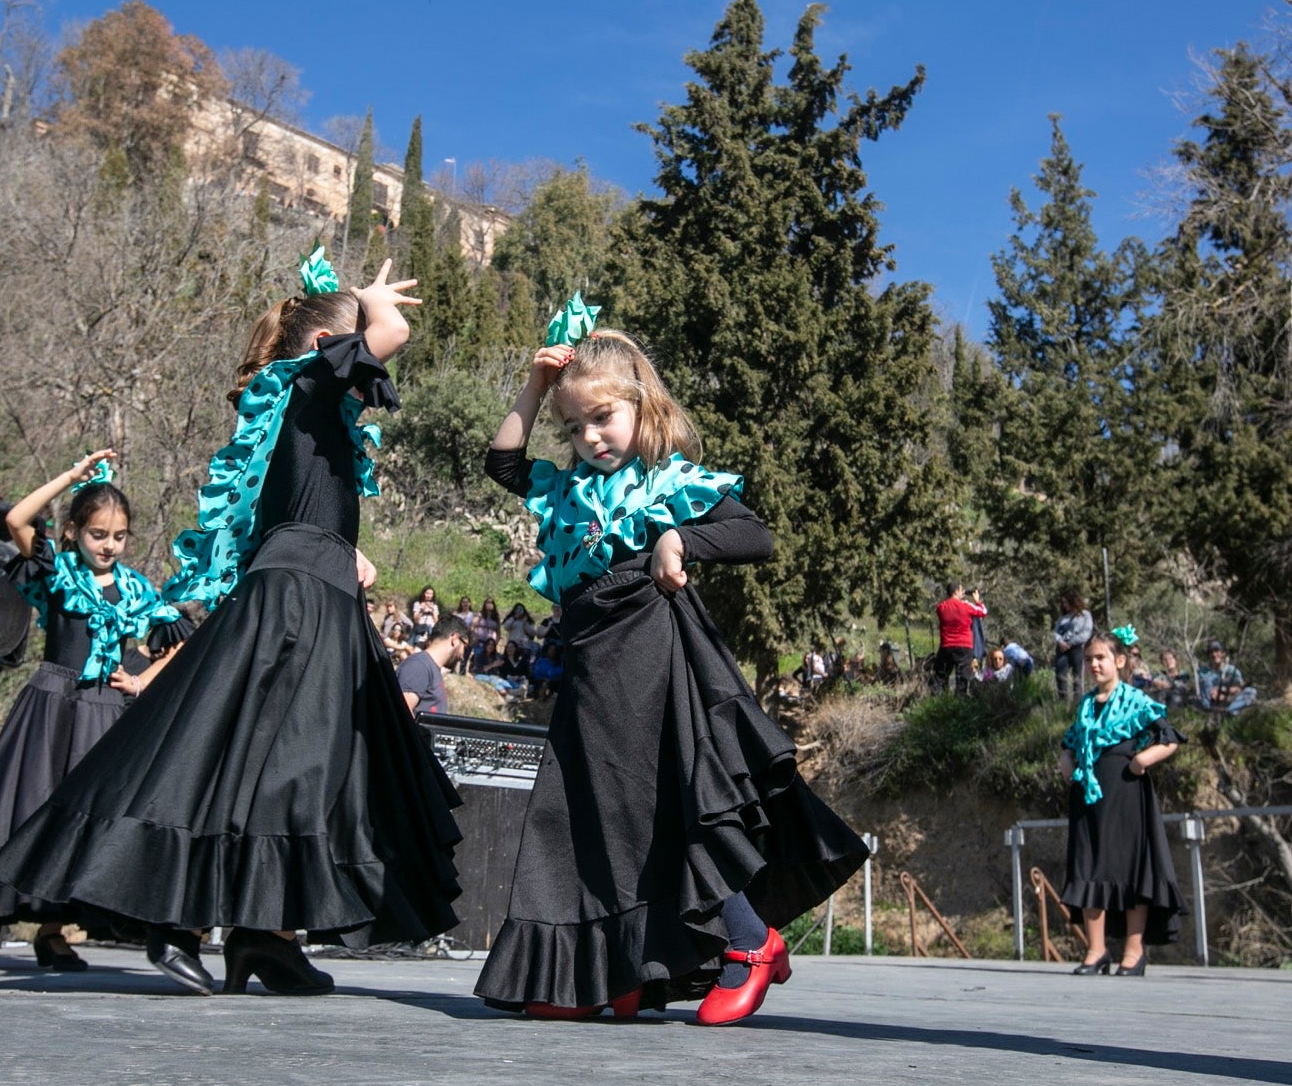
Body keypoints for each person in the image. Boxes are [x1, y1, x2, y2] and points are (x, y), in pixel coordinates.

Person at [0, 252, 459, 998]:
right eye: (352, 340)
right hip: (301, 602)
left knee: (291, 769)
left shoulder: (302, 407)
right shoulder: (308, 381)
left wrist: (345, 549)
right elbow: (392, 330)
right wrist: (370, 300)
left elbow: (299, 505)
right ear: (325, 351)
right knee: (274, 763)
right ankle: (178, 918)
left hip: (309, 587)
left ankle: (262, 937)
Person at [474, 301, 867, 1025]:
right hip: (589, 664)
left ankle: (750, 942)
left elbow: (755, 534)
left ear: (639, 405)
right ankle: (612, 971)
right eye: (573, 426)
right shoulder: (566, 491)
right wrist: (534, 388)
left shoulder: (664, 483)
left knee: (659, 809)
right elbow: (501, 461)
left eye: (603, 418)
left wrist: (678, 540)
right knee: (588, 817)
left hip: (652, 658)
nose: (589, 437)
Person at [0, 451, 191, 970]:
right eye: (97, 534)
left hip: (102, 711)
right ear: (73, 532)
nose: (108, 545)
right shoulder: (58, 569)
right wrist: (71, 476)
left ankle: (52, 931)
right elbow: (15, 520)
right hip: (50, 703)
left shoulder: (135, 588)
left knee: (80, 817)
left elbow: (176, 643)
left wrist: (138, 681)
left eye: (118, 536)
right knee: (21, 808)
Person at [1058, 631, 1187, 977]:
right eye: (1088, 659)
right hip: (1088, 797)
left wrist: (1143, 760)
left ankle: (1133, 952)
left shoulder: (1135, 700)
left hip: (1127, 794)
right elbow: (1069, 742)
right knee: (1089, 867)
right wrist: (1067, 764)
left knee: (1131, 870)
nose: (1093, 664)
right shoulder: (1086, 704)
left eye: (1100, 658)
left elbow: (1169, 738)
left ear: (1119, 661)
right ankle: (1096, 950)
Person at [398, 614, 468, 717]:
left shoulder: (430, 668)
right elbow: (401, 714)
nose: (462, 656)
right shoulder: (419, 666)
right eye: (464, 647)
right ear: (455, 639)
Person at [933, 582, 987, 694]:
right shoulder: (966, 606)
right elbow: (983, 612)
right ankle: (960, 699)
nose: (963, 593)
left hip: (946, 645)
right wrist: (977, 601)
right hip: (964, 646)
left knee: (941, 674)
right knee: (962, 677)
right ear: (956, 591)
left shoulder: (941, 607)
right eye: (962, 590)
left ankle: (939, 698)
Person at [1053, 590, 1094, 700]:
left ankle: (1078, 701)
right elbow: (1055, 632)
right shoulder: (1062, 617)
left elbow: (1086, 633)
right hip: (1062, 649)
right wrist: (1060, 642)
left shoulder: (1085, 615)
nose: (1064, 605)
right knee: (1060, 675)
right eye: (1063, 603)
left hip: (1077, 648)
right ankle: (1062, 701)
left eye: (1066, 602)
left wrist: (1071, 643)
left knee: (1078, 675)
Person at [1196, 640, 1256, 714]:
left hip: (1228, 699)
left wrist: (1222, 691)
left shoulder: (1232, 670)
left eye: (1217, 651)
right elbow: (1204, 688)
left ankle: (1229, 711)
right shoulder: (1203, 671)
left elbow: (1238, 688)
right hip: (1211, 701)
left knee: (1251, 692)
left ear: (1223, 653)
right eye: (1211, 652)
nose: (1214, 655)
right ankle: (1211, 710)